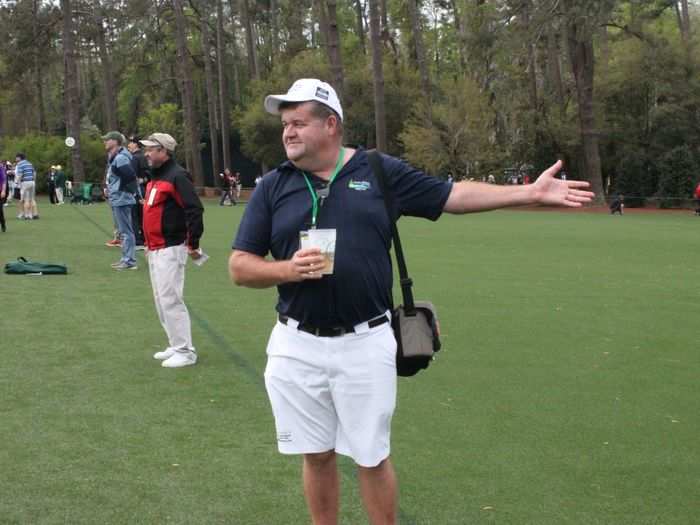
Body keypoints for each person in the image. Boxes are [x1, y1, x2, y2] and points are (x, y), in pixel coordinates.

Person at [228, 78, 594, 525]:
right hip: (296, 345)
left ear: (331, 125)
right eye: (285, 124)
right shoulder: (272, 187)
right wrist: (287, 269)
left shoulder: (378, 171)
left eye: (298, 123)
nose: (288, 132)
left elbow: (453, 195)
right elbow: (239, 266)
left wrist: (529, 193)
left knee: (371, 456)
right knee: (316, 455)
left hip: (365, 342)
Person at [140, 133, 204, 368]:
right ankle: (175, 343)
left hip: (170, 247)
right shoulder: (155, 177)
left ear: (164, 151)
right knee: (161, 299)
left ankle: (185, 351)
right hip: (155, 247)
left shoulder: (177, 176)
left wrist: (193, 243)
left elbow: (194, 209)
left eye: (151, 149)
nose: (146, 153)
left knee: (171, 299)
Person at [102, 131, 138, 270]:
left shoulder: (121, 158)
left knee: (126, 231)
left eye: (107, 139)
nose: (104, 142)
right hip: (118, 197)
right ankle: (126, 259)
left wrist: (120, 191)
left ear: (115, 141)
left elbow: (130, 177)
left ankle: (129, 261)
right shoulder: (115, 157)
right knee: (124, 231)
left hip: (122, 199)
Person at [127, 136, 150, 249]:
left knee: (134, 215)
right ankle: (145, 239)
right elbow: (148, 175)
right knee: (142, 215)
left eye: (130, 143)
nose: (128, 145)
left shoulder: (134, 158)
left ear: (136, 144)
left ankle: (138, 240)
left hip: (136, 189)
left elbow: (132, 176)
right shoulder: (144, 157)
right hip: (145, 189)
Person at [15, 153, 39, 220]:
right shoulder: (29, 163)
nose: (16, 159)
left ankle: (26, 215)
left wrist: (17, 182)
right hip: (32, 182)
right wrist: (34, 180)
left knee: (25, 199)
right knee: (31, 199)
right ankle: (31, 214)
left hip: (25, 182)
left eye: (16, 157)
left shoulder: (20, 164)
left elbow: (20, 174)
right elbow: (34, 173)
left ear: (19, 158)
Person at [0, 161, 6, 232]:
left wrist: (3, 191)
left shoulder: (0, 167)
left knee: (0, 210)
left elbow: (4, 180)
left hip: (0, 191)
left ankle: (3, 224)